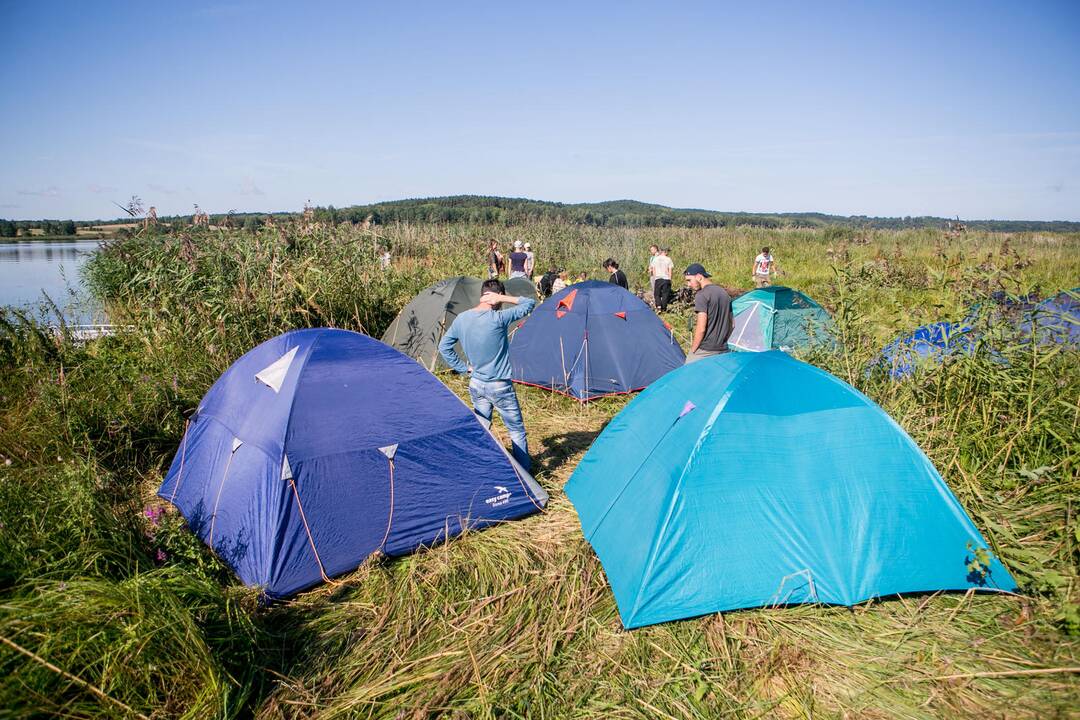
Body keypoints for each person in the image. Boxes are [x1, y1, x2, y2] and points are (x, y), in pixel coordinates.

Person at [438, 280, 535, 469]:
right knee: (516, 431)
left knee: (482, 429)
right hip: (500, 386)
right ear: (495, 297)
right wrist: (503, 297)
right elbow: (529, 304)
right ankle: (526, 479)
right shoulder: (498, 318)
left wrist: (463, 368)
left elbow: (444, 347)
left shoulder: (462, 318)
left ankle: (480, 468)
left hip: (476, 383)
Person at [683, 263, 733, 364]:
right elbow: (732, 324)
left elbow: (701, 329)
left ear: (699, 277)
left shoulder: (701, 295)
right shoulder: (724, 293)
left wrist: (693, 351)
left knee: (685, 375)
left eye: (689, 280)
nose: (688, 284)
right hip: (723, 350)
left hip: (705, 350)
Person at [652, 247, 674, 312]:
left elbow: (653, 269)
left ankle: (658, 306)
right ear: (665, 252)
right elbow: (670, 270)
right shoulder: (668, 259)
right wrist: (670, 279)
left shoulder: (655, 259)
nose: (668, 253)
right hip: (666, 278)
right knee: (665, 294)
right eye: (667, 252)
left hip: (658, 278)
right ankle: (663, 308)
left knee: (657, 294)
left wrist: (655, 277)